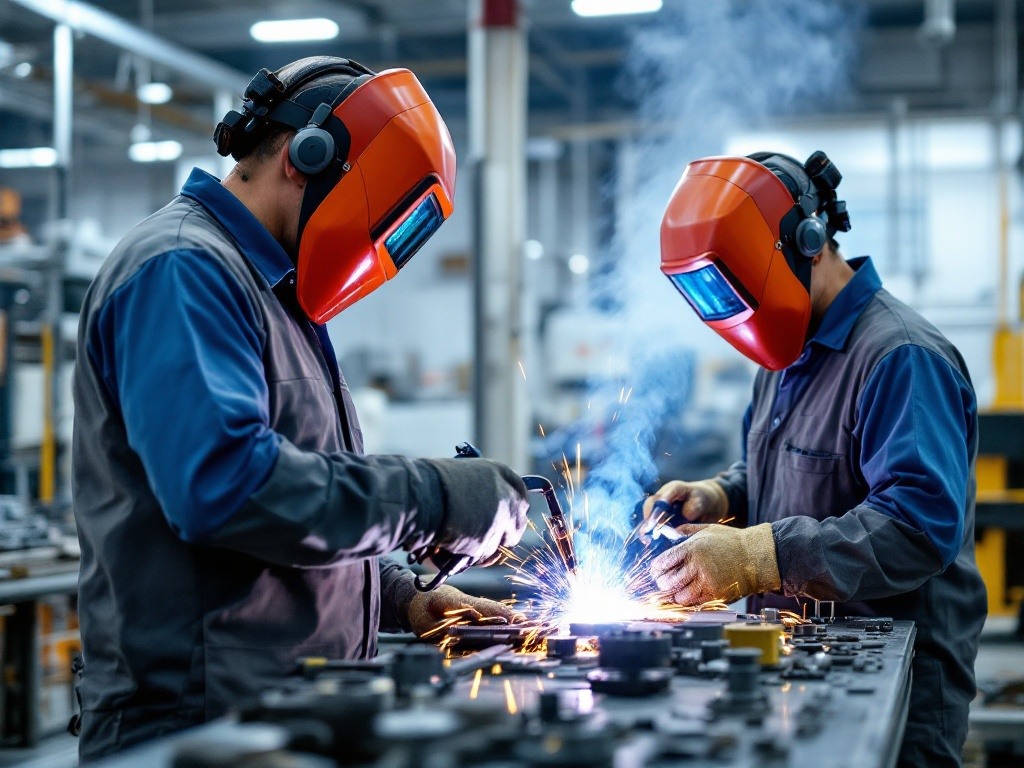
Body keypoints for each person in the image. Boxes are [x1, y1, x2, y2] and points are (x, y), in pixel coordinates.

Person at [72, 56, 529, 761]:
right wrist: (434, 497)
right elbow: (224, 488)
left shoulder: (279, 298)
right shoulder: (182, 269)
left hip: (286, 710)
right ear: (305, 159)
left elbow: (299, 514)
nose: (378, 250)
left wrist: (398, 596)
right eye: (380, 219)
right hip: (200, 723)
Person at [644, 150, 985, 768]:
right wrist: (722, 496)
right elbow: (784, 472)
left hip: (898, 679)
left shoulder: (901, 358)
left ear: (808, 242)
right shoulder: (784, 354)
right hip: (796, 657)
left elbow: (916, 527)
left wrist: (754, 555)